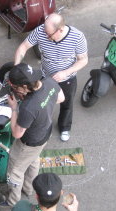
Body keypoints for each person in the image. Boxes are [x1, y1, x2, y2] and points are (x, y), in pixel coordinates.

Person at [14, 13, 88, 142]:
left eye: (49, 35)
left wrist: (65, 72)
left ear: (60, 29)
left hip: (66, 79)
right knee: (40, 103)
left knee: (66, 104)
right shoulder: (41, 30)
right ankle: (38, 126)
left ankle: (65, 127)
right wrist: (16, 68)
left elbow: (83, 60)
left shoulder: (77, 37)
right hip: (44, 76)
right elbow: (23, 47)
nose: (46, 37)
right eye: (45, 33)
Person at [1, 63, 65, 206]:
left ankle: (12, 201)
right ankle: (29, 189)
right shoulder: (48, 82)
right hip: (44, 134)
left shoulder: (28, 107)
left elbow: (17, 133)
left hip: (28, 142)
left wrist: (14, 109)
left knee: (15, 171)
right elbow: (61, 98)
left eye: (15, 87)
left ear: (24, 87)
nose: (14, 89)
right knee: (34, 160)